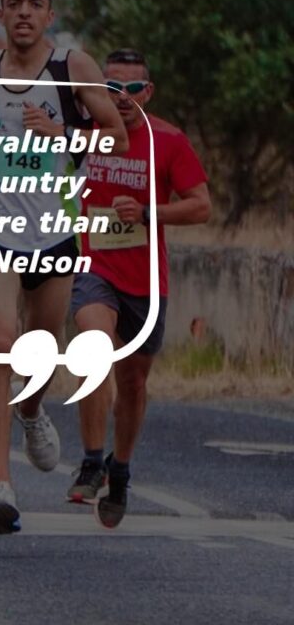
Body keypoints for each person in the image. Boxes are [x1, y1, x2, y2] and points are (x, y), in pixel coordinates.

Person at [0, 0, 128, 534]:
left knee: (39, 356)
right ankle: (1, 486)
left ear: (49, 13)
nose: (23, 13)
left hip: (53, 231)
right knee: (0, 344)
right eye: (13, 3)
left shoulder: (73, 66)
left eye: (34, 4)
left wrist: (62, 136)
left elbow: (115, 131)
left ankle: (32, 408)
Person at [68, 48, 210, 528]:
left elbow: (201, 206)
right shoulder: (85, 137)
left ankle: (120, 469)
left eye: (131, 89)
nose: (121, 98)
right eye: (111, 88)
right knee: (92, 348)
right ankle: (91, 461)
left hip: (147, 280)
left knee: (133, 382)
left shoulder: (168, 141)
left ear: (146, 93)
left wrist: (149, 213)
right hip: (95, 267)